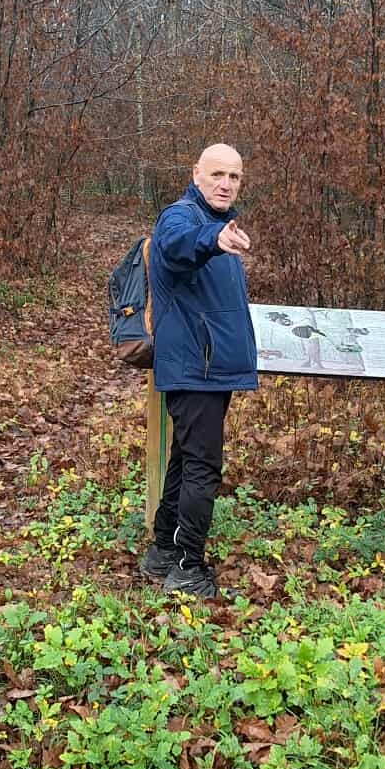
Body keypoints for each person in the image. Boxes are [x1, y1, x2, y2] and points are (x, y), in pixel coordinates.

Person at [140, 143, 257, 598]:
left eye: (235, 177)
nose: (226, 184)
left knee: (186, 461)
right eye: (217, 175)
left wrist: (217, 235)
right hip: (196, 367)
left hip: (207, 367)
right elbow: (176, 245)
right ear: (196, 174)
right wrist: (212, 241)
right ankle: (188, 566)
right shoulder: (183, 218)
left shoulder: (215, 222)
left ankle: (163, 553)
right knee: (203, 468)